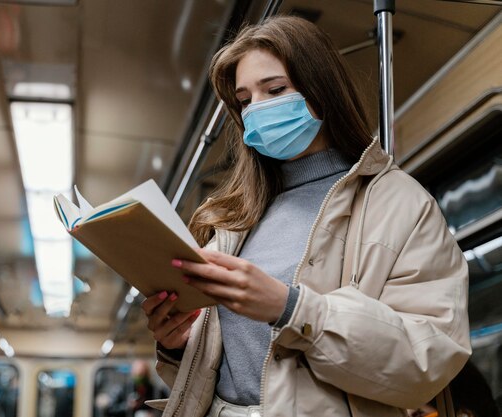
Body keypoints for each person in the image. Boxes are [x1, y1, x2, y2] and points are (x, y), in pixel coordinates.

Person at [141, 15, 471, 417]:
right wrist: (179, 346)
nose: (257, 110)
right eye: (245, 101)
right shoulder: (235, 217)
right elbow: (231, 370)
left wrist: (293, 309)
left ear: (322, 90)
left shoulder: (401, 204)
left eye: (275, 90)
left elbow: (430, 359)